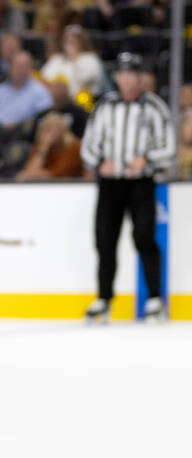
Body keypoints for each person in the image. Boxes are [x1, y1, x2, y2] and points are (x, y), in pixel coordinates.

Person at [79, 53, 176, 322]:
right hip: (110, 184)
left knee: (144, 237)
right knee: (104, 240)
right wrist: (100, 161)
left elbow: (168, 147)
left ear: (139, 77)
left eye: (131, 73)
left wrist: (147, 159)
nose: (125, 78)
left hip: (141, 183)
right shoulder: (105, 106)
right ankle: (104, 297)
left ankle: (155, 298)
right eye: (121, 73)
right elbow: (88, 145)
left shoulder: (153, 107)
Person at [16, 110, 84, 180]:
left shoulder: (74, 147)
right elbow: (30, 170)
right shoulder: (40, 145)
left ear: (63, 131)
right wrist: (43, 148)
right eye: (48, 129)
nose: (52, 133)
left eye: (56, 129)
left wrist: (32, 174)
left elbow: (58, 175)